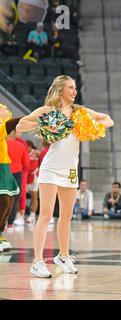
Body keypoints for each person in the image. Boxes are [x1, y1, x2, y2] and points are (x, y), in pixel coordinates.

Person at [17, 75, 114, 278]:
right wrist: (42, 125)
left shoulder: (80, 112)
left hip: (70, 169)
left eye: (75, 88)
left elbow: (108, 120)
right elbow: (21, 125)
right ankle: (37, 262)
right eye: (71, 87)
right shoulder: (49, 110)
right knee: (45, 215)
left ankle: (63, 255)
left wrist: (91, 127)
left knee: (66, 217)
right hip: (51, 168)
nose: (74, 91)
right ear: (60, 89)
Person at [0, 105, 20, 252]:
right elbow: (6, 126)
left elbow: (6, 113)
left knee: (10, 200)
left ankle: (0, 234)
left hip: (4, 163)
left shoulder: (2, 109)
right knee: (4, 199)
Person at [6, 117, 29, 228]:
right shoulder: (21, 146)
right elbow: (27, 164)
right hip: (17, 174)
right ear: (14, 133)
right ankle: (10, 223)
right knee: (15, 198)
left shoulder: (2, 145)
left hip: (4, 172)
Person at [26, 140, 40, 224]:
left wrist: (38, 170)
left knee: (34, 196)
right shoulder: (24, 152)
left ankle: (32, 215)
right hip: (26, 176)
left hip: (34, 177)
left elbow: (43, 161)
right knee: (20, 196)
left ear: (30, 146)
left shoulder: (36, 152)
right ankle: (20, 214)